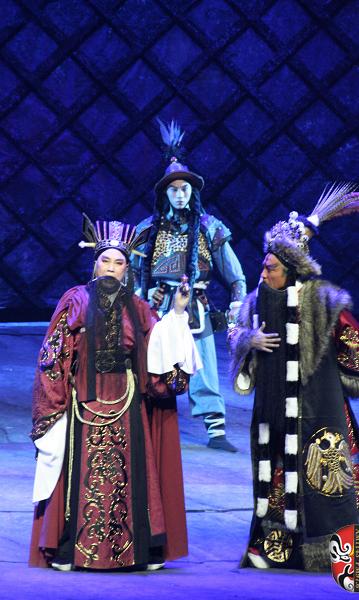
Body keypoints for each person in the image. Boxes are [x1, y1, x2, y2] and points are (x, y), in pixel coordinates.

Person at [228, 184, 359, 571]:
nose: (262, 273)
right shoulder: (255, 300)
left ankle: (336, 546)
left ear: (291, 268)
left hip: (320, 407)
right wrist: (249, 340)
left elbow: (351, 334)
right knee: (278, 475)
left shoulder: (323, 299)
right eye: (263, 266)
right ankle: (278, 546)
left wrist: (348, 375)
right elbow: (235, 333)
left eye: (270, 268)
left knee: (327, 471)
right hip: (274, 409)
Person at [29, 214, 202, 572]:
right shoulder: (75, 300)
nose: (110, 267)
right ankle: (70, 549)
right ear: (94, 264)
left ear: (127, 268)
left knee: (132, 476)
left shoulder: (139, 308)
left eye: (118, 262)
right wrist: (53, 403)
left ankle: (139, 550)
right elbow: (53, 354)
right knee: (80, 476)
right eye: (105, 260)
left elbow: (159, 350)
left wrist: (178, 312)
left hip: (127, 405)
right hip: (84, 404)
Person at [133, 120, 246, 453]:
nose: (180, 195)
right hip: (158, 305)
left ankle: (216, 431)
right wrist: (139, 295)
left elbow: (235, 274)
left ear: (192, 191)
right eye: (174, 190)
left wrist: (238, 302)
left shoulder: (210, 227)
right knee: (152, 364)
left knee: (204, 366)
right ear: (164, 193)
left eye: (185, 189)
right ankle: (145, 424)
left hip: (196, 307)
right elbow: (134, 272)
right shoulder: (147, 229)